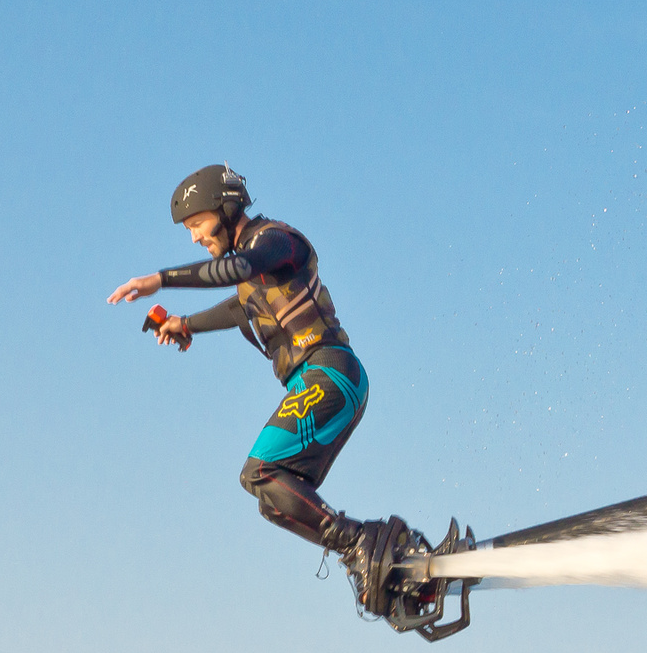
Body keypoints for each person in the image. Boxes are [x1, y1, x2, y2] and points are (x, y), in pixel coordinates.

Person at [107, 164, 437, 615]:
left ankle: (364, 542)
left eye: (197, 224)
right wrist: (185, 324)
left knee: (259, 471)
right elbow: (240, 305)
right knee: (275, 500)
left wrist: (161, 279)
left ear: (225, 209)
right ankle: (380, 560)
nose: (194, 237)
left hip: (331, 372)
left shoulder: (276, 241)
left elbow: (238, 270)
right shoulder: (250, 278)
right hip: (316, 381)